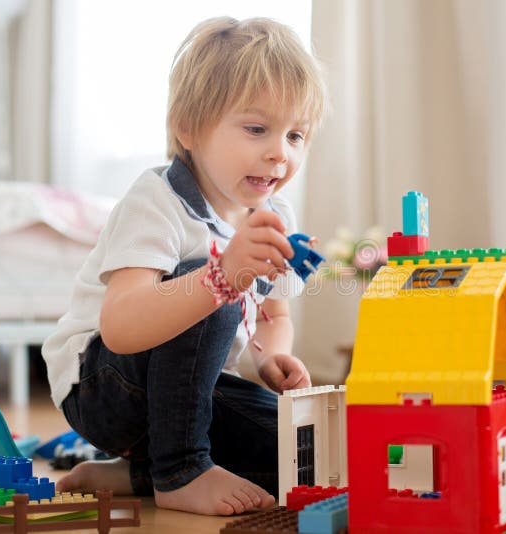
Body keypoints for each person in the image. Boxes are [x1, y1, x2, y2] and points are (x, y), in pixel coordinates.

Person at [41, 16, 327, 516]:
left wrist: (267, 359)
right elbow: (122, 327)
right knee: (206, 286)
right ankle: (178, 471)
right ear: (189, 127)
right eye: (257, 129)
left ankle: (135, 473)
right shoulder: (157, 200)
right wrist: (221, 278)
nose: (279, 153)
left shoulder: (276, 217)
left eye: (296, 136)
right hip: (103, 388)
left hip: (188, 394)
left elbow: (273, 316)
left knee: (308, 456)